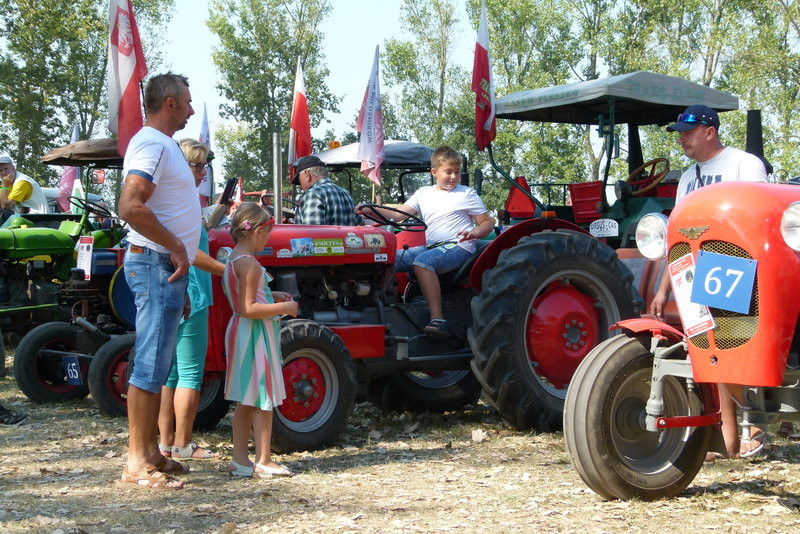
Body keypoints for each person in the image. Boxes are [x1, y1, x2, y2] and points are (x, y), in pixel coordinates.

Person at [650, 104, 768, 460]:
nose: (682, 138)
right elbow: (676, 234)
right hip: (698, 271)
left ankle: (757, 432)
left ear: (709, 132)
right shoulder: (687, 178)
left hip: (736, 263)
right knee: (714, 353)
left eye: (688, 131)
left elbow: (760, 214)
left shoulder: (743, 165)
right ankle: (729, 442)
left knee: (741, 347)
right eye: (679, 132)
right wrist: (662, 289)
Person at [117, 72, 200, 490]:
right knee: (150, 361)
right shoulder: (152, 142)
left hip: (161, 267)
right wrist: (177, 248)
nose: (189, 109)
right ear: (169, 103)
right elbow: (130, 205)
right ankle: (136, 461)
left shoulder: (161, 145)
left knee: (158, 360)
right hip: (154, 263)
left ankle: (150, 452)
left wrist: (176, 267)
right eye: (186, 102)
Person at [357, 146, 495, 338]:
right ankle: (377, 307)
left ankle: (437, 319)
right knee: (387, 259)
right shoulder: (424, 193)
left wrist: (474, 233)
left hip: (459, 245)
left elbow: (487, 223)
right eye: (449, 172)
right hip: (432, 247)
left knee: (423, 263)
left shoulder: (467, 194)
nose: (454, 177)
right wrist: (371, 210)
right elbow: (398, 215)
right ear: (434, 172)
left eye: (457, 172)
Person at [157, 140, 225, 461]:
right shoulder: (185, 201)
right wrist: (229, 271)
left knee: (171, 374)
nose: (202, 173)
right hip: (192, 292)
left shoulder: (172, 200)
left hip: (174, 291)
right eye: (197, 166)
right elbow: (192, 252)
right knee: (190, 374)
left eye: (204, 166)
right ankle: (183, 444)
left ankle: (166, 442)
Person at [221, 202, 298, 478]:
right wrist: (285, 308)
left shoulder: (232, 260)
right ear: (255, 232)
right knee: (264, 396)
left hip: (239, 332)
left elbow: (243, 301)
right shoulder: (251, 265)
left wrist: (271, 294)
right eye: (267, 234)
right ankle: (264, 458)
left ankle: (240, 459)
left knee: (245, 398)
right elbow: (249, 308)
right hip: (255, 334)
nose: (268, 240)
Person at [292, 155, 358, 226]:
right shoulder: (346, 194)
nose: (300, 186)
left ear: (307, 174)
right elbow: (359, 223)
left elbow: (312, 232)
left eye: (299, 180)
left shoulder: (313, 194)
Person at [0, 154, 47, 219]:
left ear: (13, 168)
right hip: (23, 218)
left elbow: (6, 206)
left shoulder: (22, 182)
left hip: (37, 220)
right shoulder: (8, 183)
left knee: (3, 212)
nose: (3, 173)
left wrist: (4, 185)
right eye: (0, 170)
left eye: (6, 169)